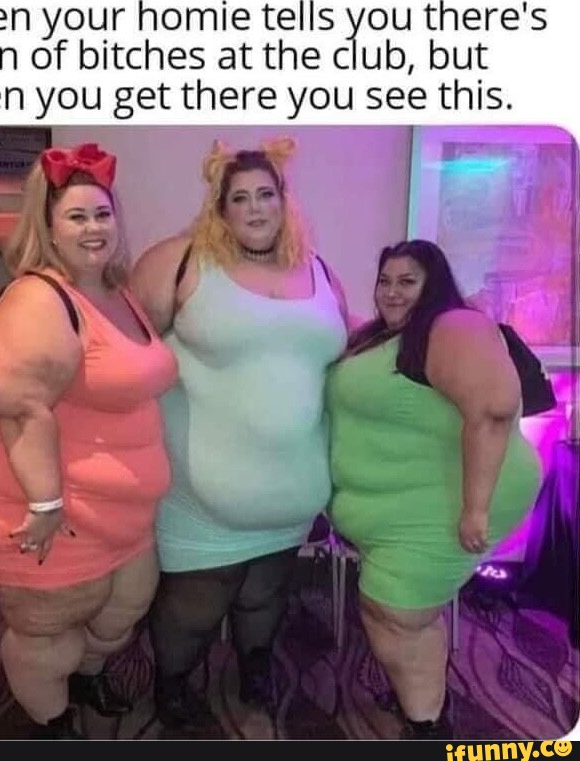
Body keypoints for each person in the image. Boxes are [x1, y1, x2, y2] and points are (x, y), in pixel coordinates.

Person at [0, 142, 178, 739]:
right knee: (48, 637)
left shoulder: (115, 290)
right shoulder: (40, 297)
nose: (94, 228)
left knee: (120, 616)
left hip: (119, 509)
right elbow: (17, 406)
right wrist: (45, 502)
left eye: (102, 214)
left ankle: (82, 680)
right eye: (76, 216)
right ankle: (47, 721)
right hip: (51, 506)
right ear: (48, 227)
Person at [130, 137, 349, 733]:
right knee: (197, 603)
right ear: (219, 208)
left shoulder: (320, 270)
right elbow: (125, 352)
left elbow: (340, 354)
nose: (256, 208)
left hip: (293, 488)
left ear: (284, 200)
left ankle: (256, 669)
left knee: (266, 592)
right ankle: (172, 685)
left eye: (266, 194)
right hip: (201, 494)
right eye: (240, 198)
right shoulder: (180, 262)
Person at [325, 240, 542, 739]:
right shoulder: (385, 336)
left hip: (453, 501)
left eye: (408, 281)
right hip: (408, 501)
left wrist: (475, 510)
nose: (392, 292)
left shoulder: (454, 326)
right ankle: (422, 701)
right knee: (406, 616)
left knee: (396, 612)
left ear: (434, 284)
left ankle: (426, 727)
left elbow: (493, 410)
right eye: (385, 281)